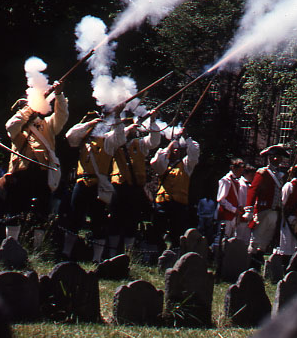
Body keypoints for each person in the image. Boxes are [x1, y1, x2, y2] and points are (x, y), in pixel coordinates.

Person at [65, 108, 126, 262]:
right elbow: (70, 136)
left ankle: (97, 259)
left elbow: (120, 137)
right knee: (74, 219)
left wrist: (118, 116)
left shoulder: (109, 140)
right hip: (82, 182)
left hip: (99, 186)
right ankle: (66, 253)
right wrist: (90, 123)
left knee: (99, 222)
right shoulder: (84, 138)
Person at [4, 81, 68, 217]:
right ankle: (12, 238)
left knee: (41, 212)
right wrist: (29, 108)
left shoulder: (47, 124)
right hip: (20, 172)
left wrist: (59, 94)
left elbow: (62, 116)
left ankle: (37, 239)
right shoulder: (16, 124)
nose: (26, 109)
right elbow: (10, 126)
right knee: (15, 211)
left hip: (42, 172)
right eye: (23, 107)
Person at [108, 115, 161, 258]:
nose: (131, 129)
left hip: (135, 188)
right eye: (126, 126)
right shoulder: (114, 142)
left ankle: (128, 256)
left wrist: (153, 122)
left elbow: (154, 141)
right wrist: (124, 130)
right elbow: (115, 139)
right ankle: (112, 254)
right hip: (119, 187)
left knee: (132, 221)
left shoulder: (140, 144)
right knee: (115, 221)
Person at [151, 135, 200, 251]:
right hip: (162, 202)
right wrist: (169, 147)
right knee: (158, 229)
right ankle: (155, 252)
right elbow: (156, 163)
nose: (176, 151)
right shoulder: (163, 164)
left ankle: (174, 254)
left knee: (177, 231)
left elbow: (194, 153)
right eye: (174, 149)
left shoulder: (186, 165)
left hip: (179, 204)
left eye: (178, 149)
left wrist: (187, 137)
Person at [243, 144, 289, 265]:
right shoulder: (262, 173)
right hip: (263, 210)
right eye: (274, 156)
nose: (276, 159)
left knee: (265, 240)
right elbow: (253, 191)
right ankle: (250, 264)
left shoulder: (280, 176)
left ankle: (257, 262)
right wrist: (249, 210)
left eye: (279, 157)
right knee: (256, 239)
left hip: (274, 212)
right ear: (269, 158)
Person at [277, 164, 297, 257]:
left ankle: (286, 260)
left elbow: (283, 202)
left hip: (287, 216)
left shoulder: (289, 185)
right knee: (293, 241)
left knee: (286, 241)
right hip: (295, 216)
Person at [216, 158, 246, 243]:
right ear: (233, 168)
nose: (241, 172)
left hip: (233, 216)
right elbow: (221, 199)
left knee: (231, 240)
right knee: (222, 238)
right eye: (239, 170)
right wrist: (233, 209)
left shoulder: (237, 181)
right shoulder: (226, 180)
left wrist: (239, 207)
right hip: (226, 215)